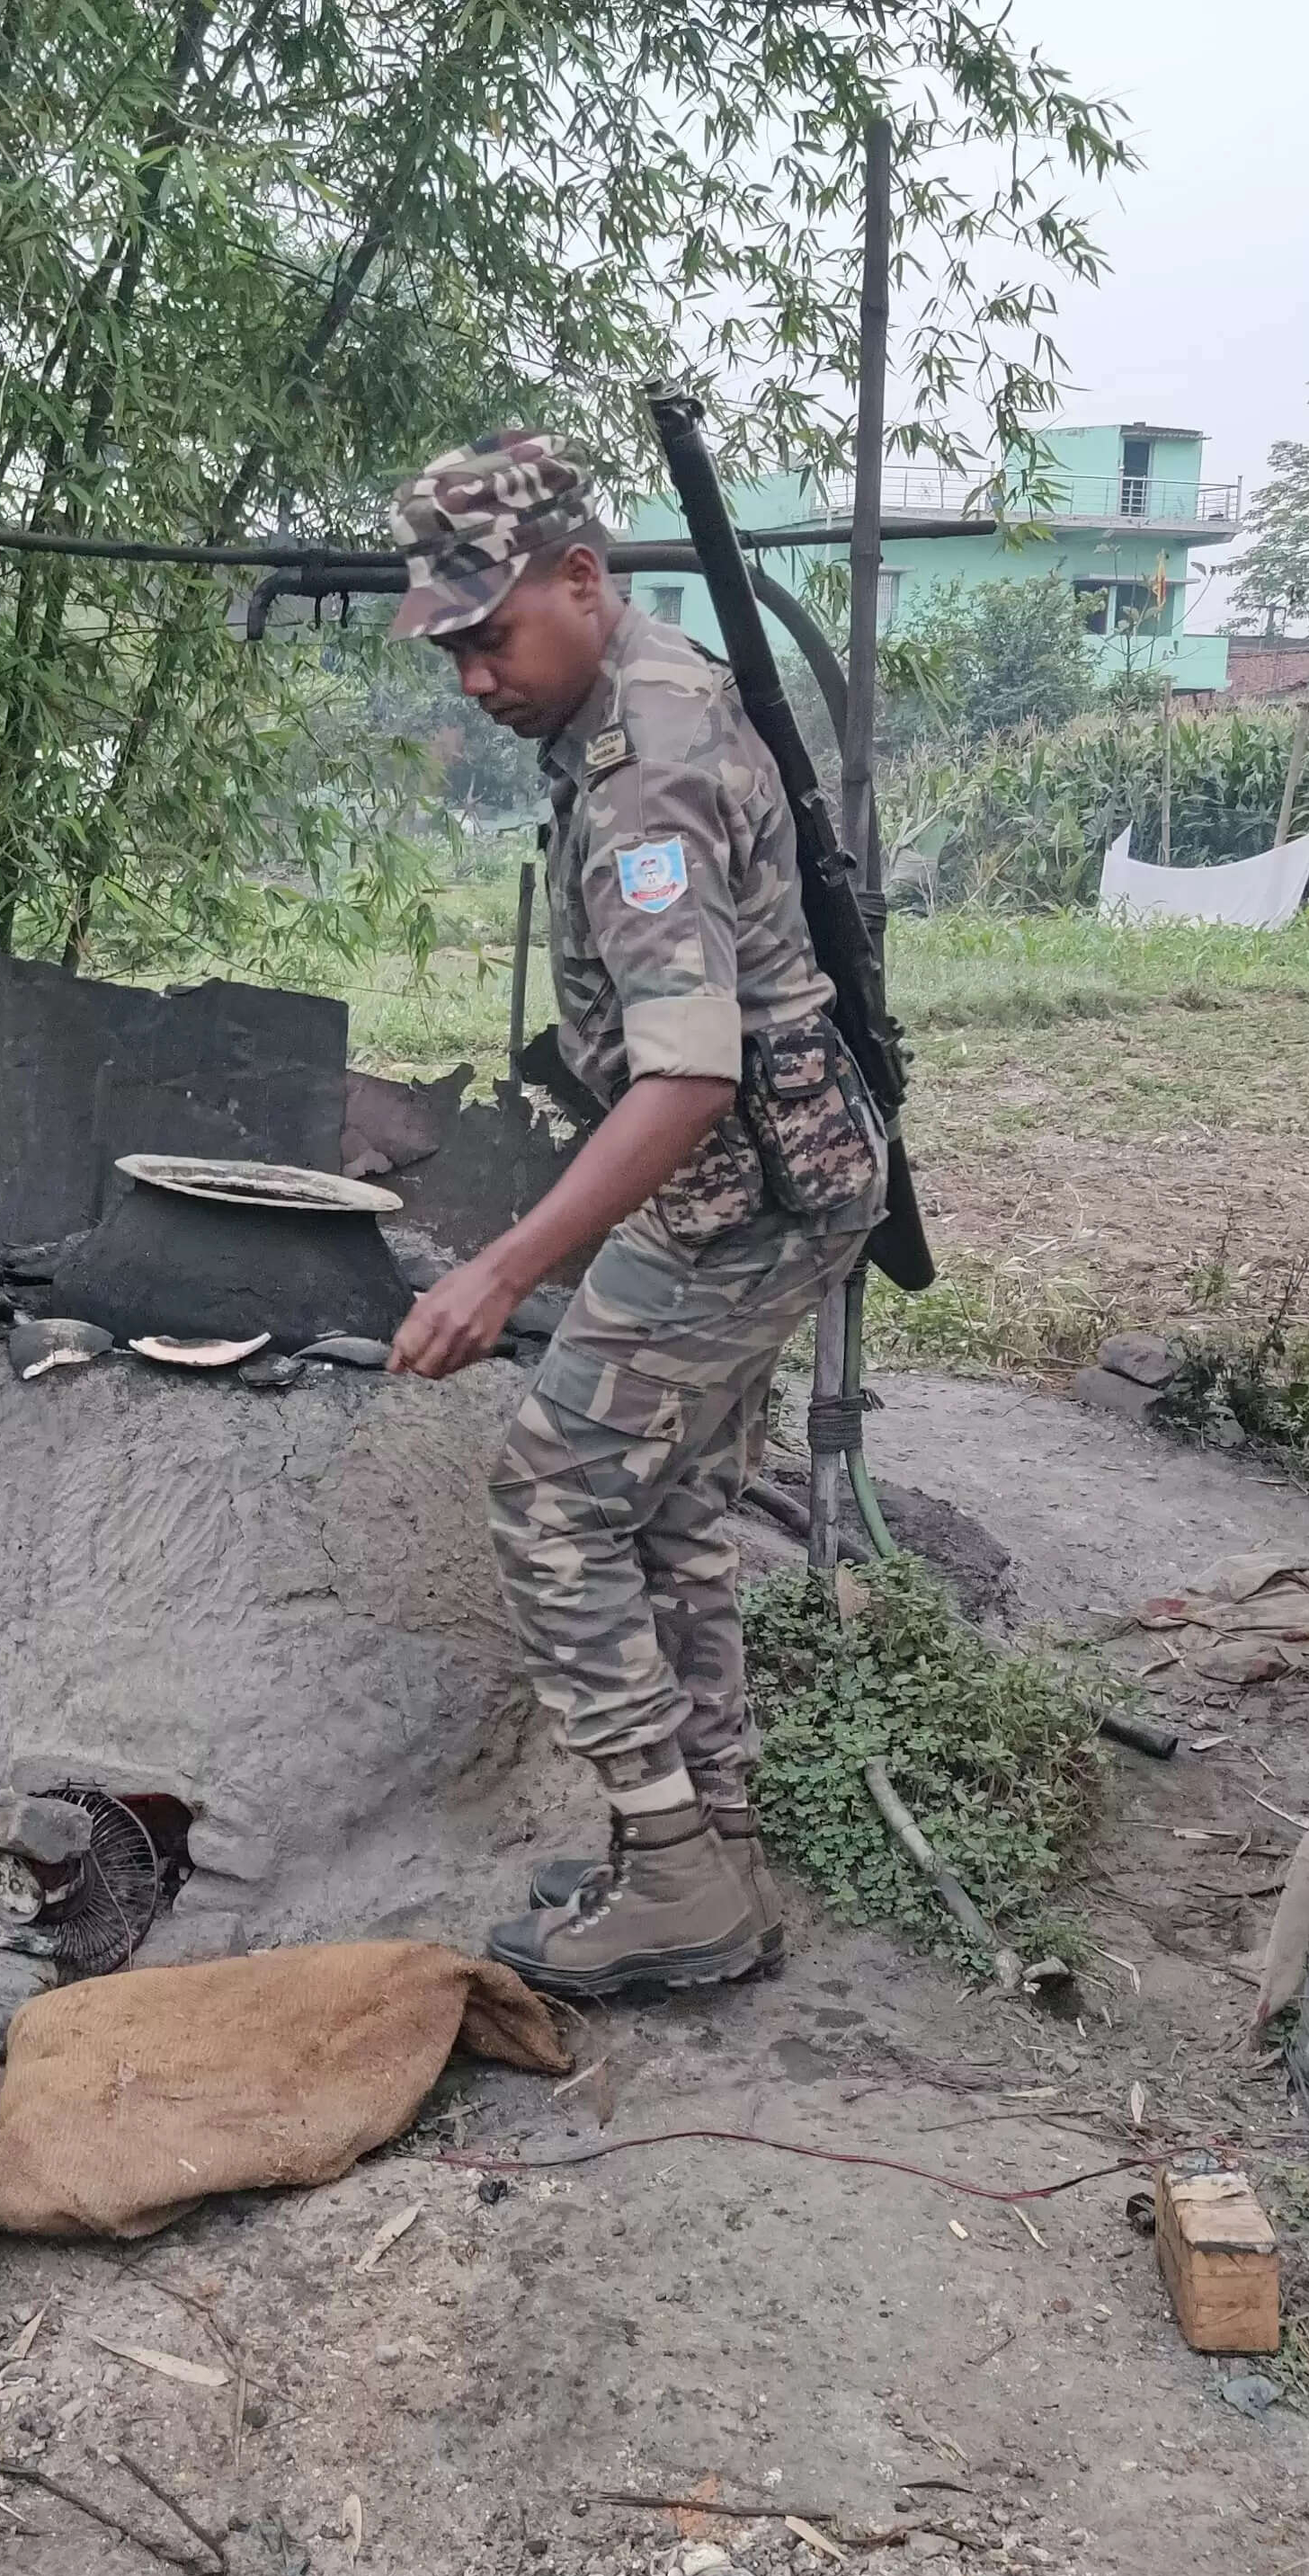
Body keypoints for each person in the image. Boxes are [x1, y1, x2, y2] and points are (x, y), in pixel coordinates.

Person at [381, 431, 884, 1999]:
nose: (473, 675)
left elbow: (682, 1083)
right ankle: (706, 1852)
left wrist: (502, 1270)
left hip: (737, 1199)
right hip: (786, 1180)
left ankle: (671, 1870)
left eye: (492, 633)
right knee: (669, 1512)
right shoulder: (642, 683)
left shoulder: (643, 767)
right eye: (449, 645)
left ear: (584, 580)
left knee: (549, 1490)